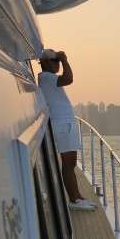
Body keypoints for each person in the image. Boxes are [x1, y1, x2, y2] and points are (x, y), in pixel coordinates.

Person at [37, 48, 96, 210]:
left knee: (71, 163)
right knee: (69, 163)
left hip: (64, 125)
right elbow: (69, 79)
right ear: (46, 62)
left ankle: (77, 196)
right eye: (55, 61)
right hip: (62, 125)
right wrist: (64, 60)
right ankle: (74, 200)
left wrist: (61, 60)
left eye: (58, 61)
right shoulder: (47, 77)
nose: (57, 64)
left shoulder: (48, 78)